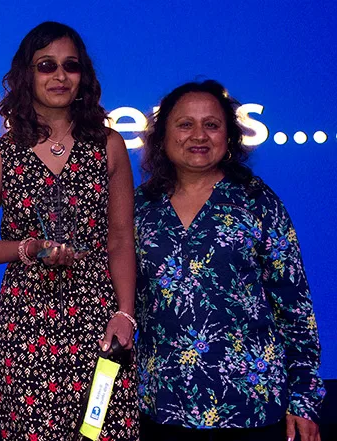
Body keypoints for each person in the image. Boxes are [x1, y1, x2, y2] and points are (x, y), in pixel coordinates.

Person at [0, 21, 139, 440]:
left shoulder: (109, 146)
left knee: (103, 430)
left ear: (84, 76)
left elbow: (120, 240)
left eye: (70, 66)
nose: (60, 76)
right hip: (27, 320)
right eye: (46, 65)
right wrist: (28, 248)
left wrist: (125, 314)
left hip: (100, 316)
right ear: (27, 74)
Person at [134, 80, 325, 441]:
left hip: (251, 405)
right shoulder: (140, 207)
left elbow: (294, 304)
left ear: (230, 136)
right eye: (185, 124)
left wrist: (304, 399)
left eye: (212, 124)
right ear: (161, 136)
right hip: (162, 404)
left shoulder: (257, 201)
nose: (199, 135)